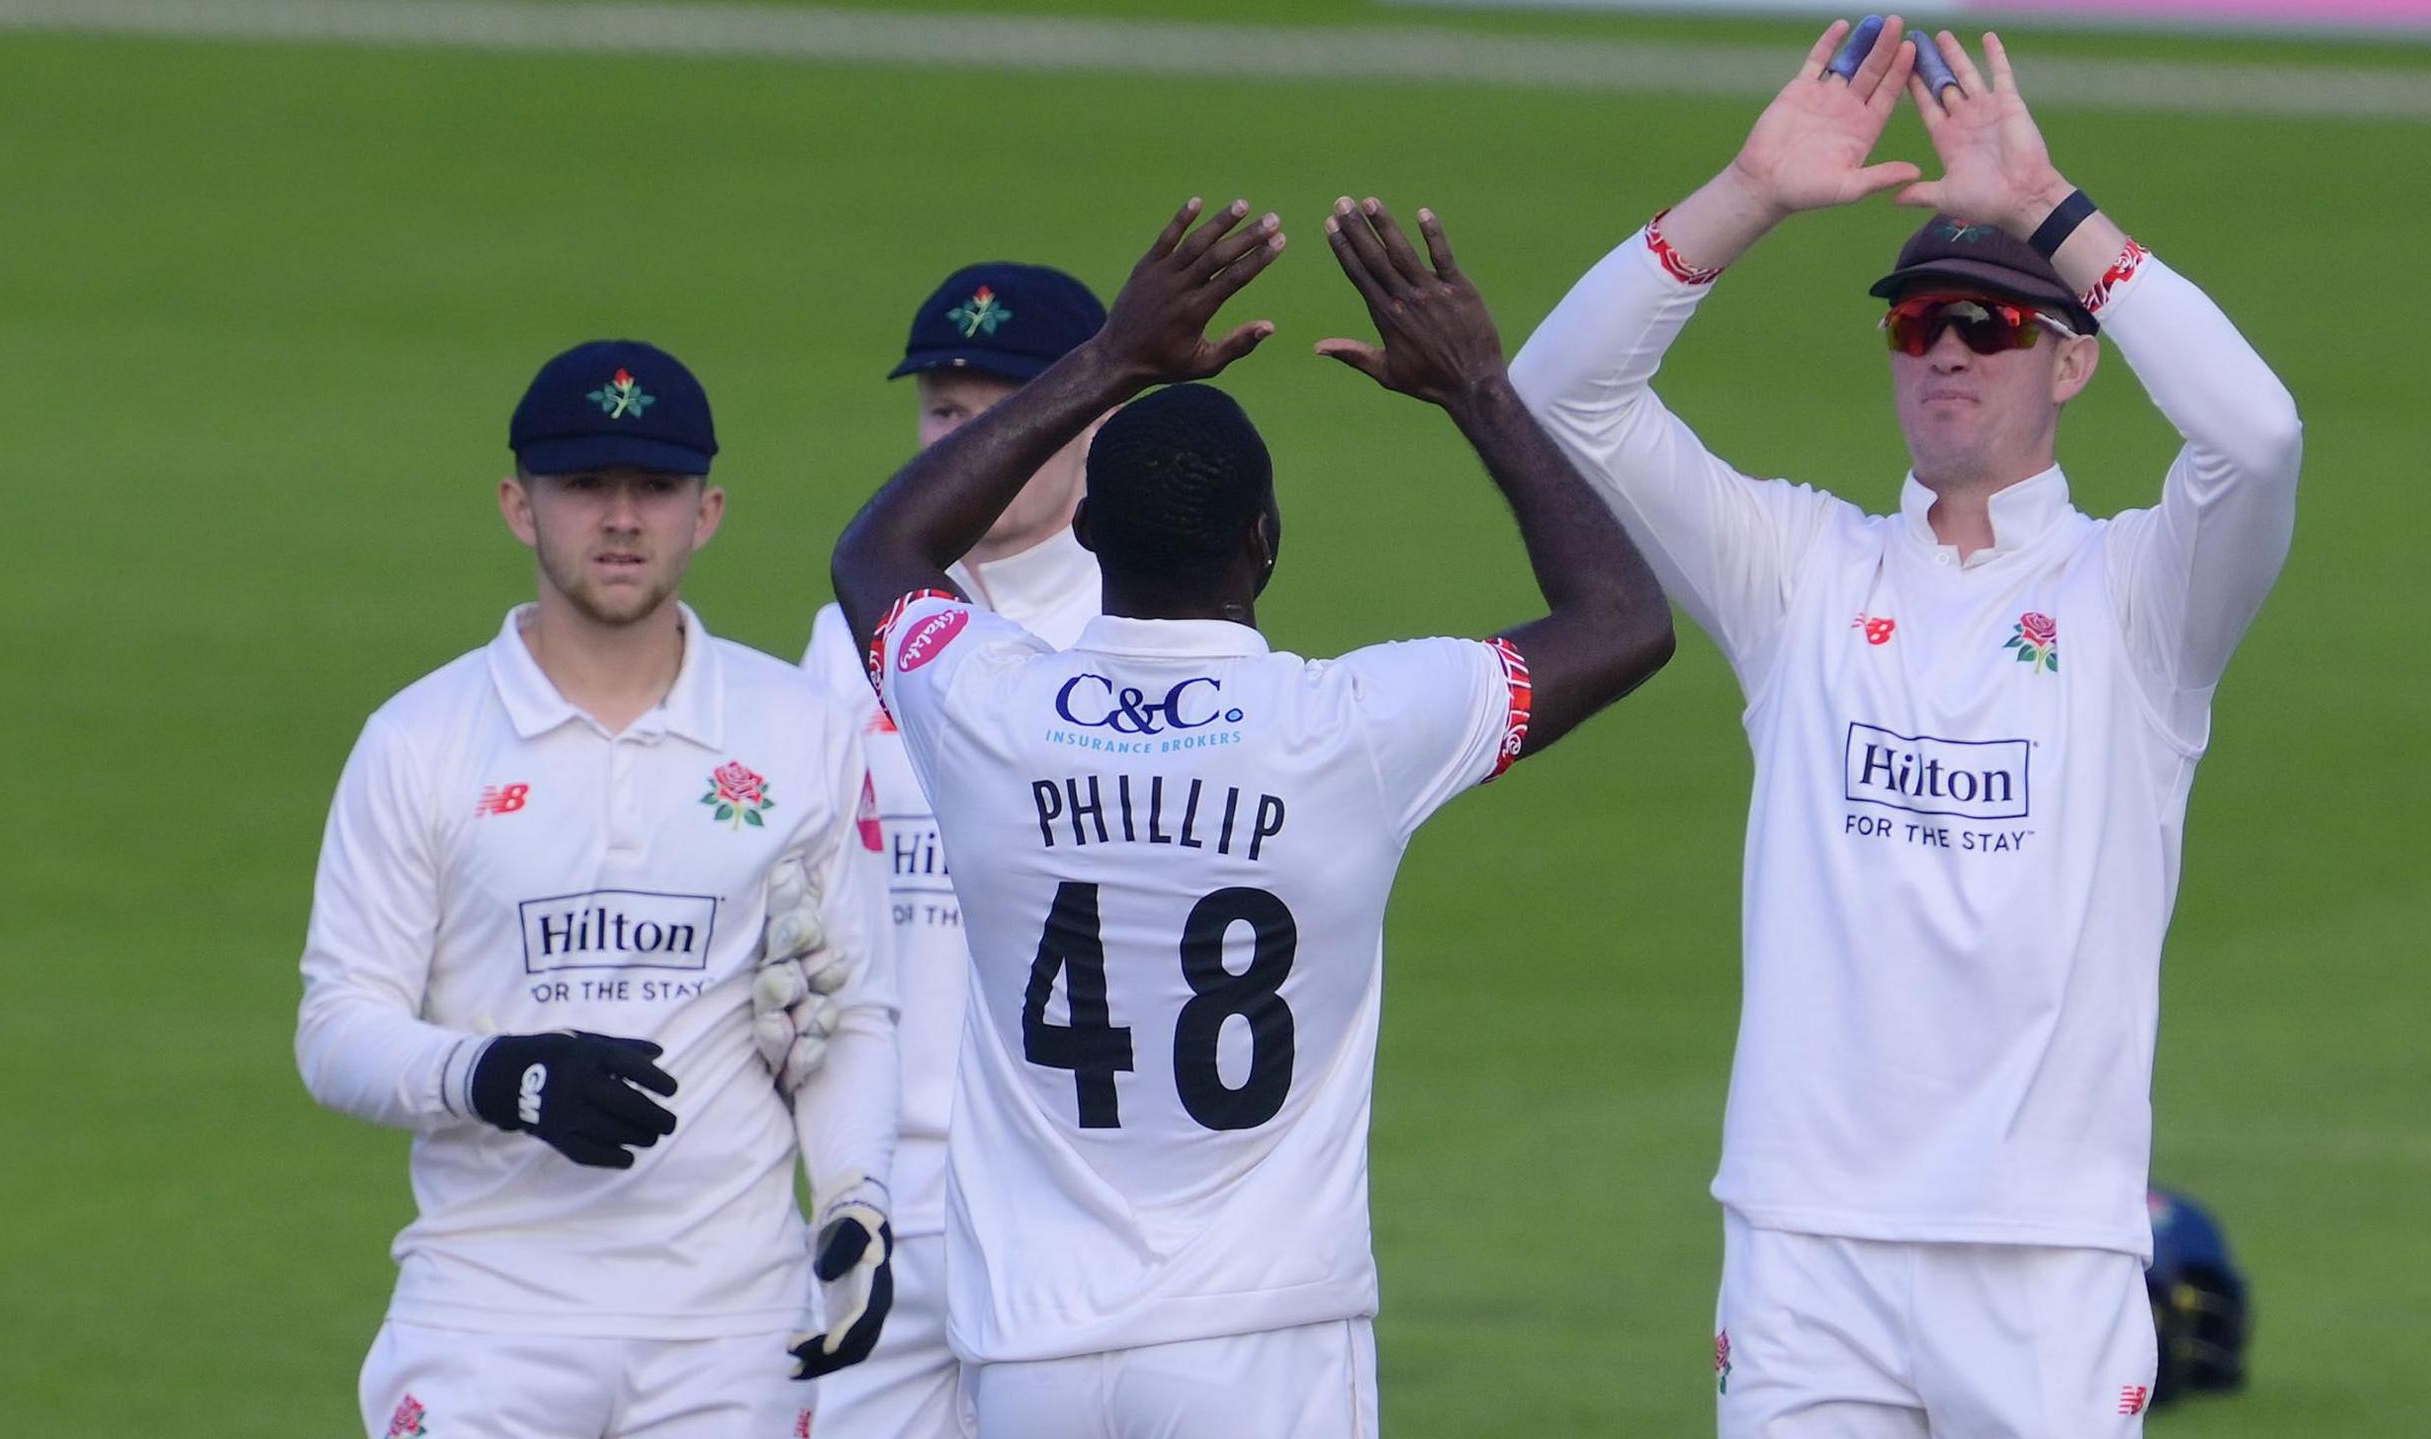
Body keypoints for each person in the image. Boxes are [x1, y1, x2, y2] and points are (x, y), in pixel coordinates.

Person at [1508, 18, 2300, 1436]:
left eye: (1989, 326)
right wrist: (1746, 192)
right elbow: (1563, 396)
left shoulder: (2140, 597)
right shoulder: (1799, 572)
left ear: (2072, 363)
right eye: (1914, 323)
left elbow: (2258, 438)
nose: (1946, 350)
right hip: (1808, 1240)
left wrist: (2056, 218)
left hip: (2046, 1255)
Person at [830, 195, 1674, 1437]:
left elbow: (878, 549)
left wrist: (1109, 355)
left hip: (1029, 1345)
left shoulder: (985, 701)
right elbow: (1622, 620)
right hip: (1260, 1338)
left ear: (1088, 532)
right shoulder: (1347, 727)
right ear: (1264, 541)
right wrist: (1480, 390)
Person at [295, 339, 903, 1439]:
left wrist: (858, 1199)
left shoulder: (800, 731)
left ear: (707, 511)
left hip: (734, 1326)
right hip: (487, 1314)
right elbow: (336, 1027)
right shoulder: (420, 740)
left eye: (655, 488)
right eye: (584, 486)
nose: (621, 518)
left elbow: (847, 1009)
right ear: (518, 507)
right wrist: (499, 1073)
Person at [801, 261, 1110, 1438]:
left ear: (1093, 420)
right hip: (879, 1201)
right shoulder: (849, 638)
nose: (960, 442)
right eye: (941, 413)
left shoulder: (1146, 633)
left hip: (1064, 1213)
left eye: (1001, 415)